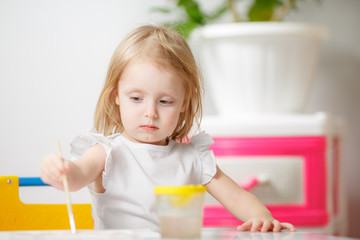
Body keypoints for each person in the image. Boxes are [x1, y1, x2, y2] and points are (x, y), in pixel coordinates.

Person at [41, 25, 295, 232]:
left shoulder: (193, 157)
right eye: (137, 98)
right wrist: (60, 171)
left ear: (183, 103)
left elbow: (237, 197)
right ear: (116, 95)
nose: (150, 112)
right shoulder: (107, 152)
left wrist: (262, 216)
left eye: (165, 101)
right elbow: (76, 177)